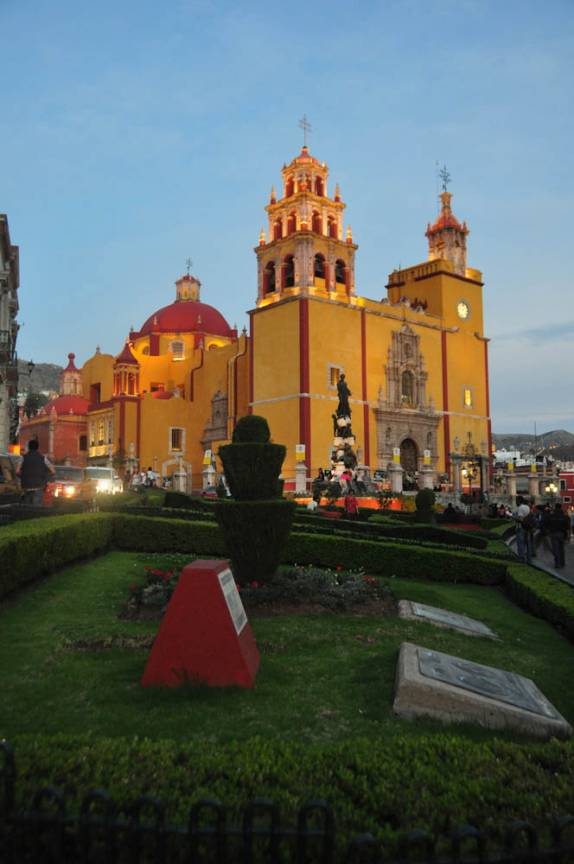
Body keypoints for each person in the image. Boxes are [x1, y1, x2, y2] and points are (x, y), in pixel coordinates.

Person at [17, 439, 55, 506]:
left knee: (27, 507)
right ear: (37, 447)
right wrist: (45, 478)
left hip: (26, 486)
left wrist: (23, 477)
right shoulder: (43, 458)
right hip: (39, 486)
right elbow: (53, 471)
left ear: (28, 447)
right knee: (36, 508)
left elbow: (17, 472)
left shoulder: (23, 458)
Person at [546, 503, 569, 569]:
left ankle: (557, 563)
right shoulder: (564, 516)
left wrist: (548, 531)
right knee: (561, 549)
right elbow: (567, 526)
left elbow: (547, 524)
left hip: (553, 534)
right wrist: (567, 535)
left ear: (555, 507)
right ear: (561, 507)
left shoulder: (551, 516)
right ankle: (562, 562)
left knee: (556, 549)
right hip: (562, 534)